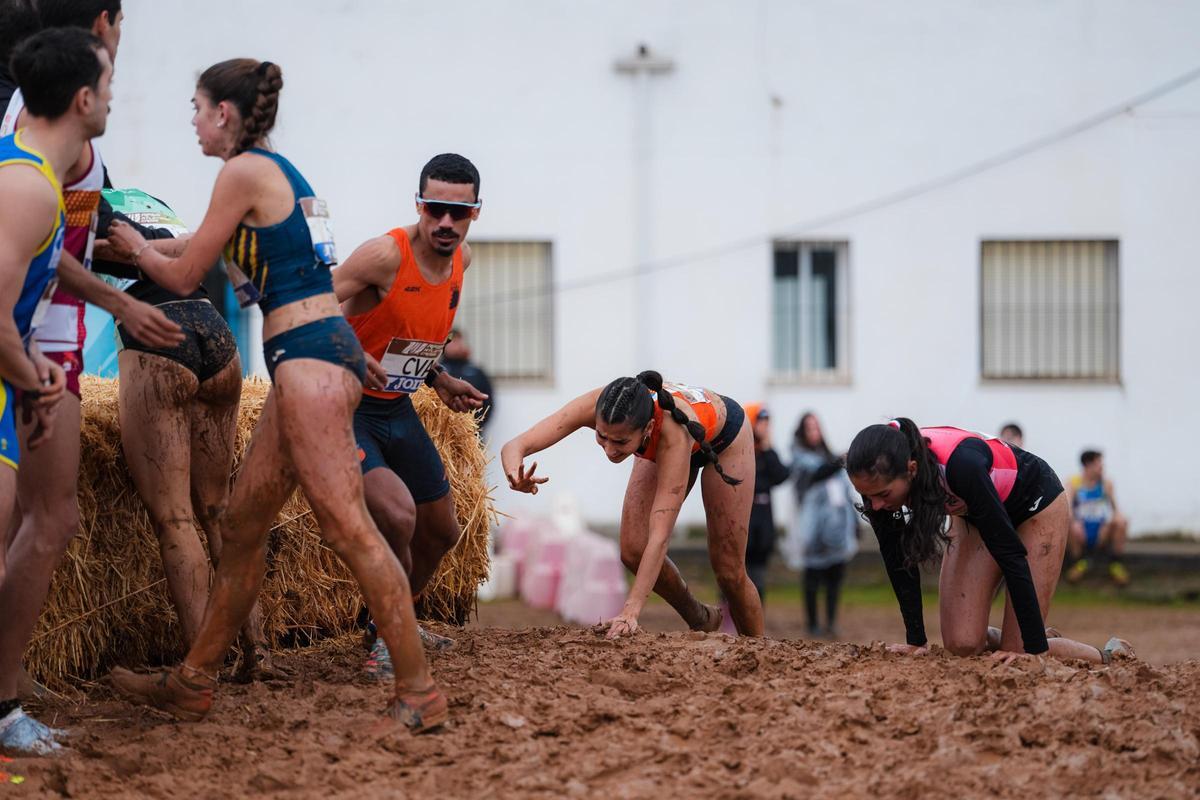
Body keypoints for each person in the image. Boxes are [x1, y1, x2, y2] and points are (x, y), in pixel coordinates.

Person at [102, 58, 445, 733]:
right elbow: (275, 268)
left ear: (225, 114)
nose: (193, 122)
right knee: (240, 526)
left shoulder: (241, 173)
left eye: (197, 108)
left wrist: (131, 250)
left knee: (349, 529)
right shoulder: (282, 174)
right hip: (320, 355)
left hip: (310, 362)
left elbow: (187, 273)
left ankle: (419, 691)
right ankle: (193, 681)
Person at [333, 153, 487, 673]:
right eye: (435, 209)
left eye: (458, 213)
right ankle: (389, 640)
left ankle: (392, 621)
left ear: (475, 214)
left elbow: (409, 336)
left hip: (395, 406)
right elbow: (309, 307)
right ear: (419, 204)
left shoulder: (463, 262)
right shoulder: (383, 256)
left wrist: (439, 379)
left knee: (441, 531)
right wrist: (353, 356)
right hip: (346, 408)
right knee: (398, 514)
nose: (445, 223)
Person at [0, 26, 105, 755]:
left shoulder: (30, 178)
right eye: (107, 89)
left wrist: (31, 385)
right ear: (82, 98)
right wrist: (36, 379)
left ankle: (5, 709)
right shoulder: (30, 188)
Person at [845, 419, 1131, 664]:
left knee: (1022, 653)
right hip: (977, 513)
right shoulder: (875, 483)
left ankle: (1109, 655)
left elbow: (1009, 552)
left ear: (911, 469)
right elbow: (898, 558)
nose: (876, 505)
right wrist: (915, 640)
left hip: (1036, 506)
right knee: (962, 645)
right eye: (867, 496)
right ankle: (1026, 630)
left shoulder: (961, 467)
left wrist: (1028, 643)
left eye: (882, 495)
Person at [502, 372, 765, 637]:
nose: (609, 450)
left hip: (724, 440)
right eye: (602, 437)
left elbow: (660, 536)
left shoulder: (671, 435)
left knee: (729, 571)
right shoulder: (599, 404)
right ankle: (699, 616)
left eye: (620, 442)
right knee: (632, 550)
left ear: (647, 428)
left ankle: (759, 647)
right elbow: (516, 445)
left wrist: (631, 610)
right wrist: (515, 475)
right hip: (666, 434)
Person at [785, 412, 858, 639]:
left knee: (835, 577)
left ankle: (831, 622)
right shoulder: (800, 458)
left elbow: (845, 493)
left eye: (817, 427)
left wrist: (854, 522)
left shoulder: (828, 456)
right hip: (813, 531)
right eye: (809, 427)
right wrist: (840, 460)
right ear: (802, 432)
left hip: (837, 529)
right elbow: (817, 473)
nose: (814, 431)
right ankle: (813, 623)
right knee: (813, 578)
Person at [742, 404, 790, 603]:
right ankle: (729, 617)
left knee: (759, 573)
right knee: (736, 571)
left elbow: (781, 475)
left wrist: (768, 448)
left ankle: (755, 616)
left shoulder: (767, 452)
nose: (765, 427)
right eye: (761, 421)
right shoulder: (741, 449)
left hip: (763, 519)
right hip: (743, 516)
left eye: (767, 422)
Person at [1065, 449, 1129, 586]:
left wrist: (1111, 521)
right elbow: (1067, 508)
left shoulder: (1106, 484)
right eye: (1099, 463)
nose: (1102, 467)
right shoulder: (1074, 483)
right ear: (1088, 465)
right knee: (1068, 523)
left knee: (1121, 522)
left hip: (1102, 530)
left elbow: (1116, 510)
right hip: (1081, 531)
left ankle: (1116, 564)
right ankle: (1079, 563)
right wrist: (1075, 522)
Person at [442, 328, 494, 434]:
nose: (456, 345)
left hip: (471, 433)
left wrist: (476, 425)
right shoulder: (437, 373)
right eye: (451, 341)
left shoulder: (476, 371)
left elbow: (488, 401)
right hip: (442, 434)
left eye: (458, 341)